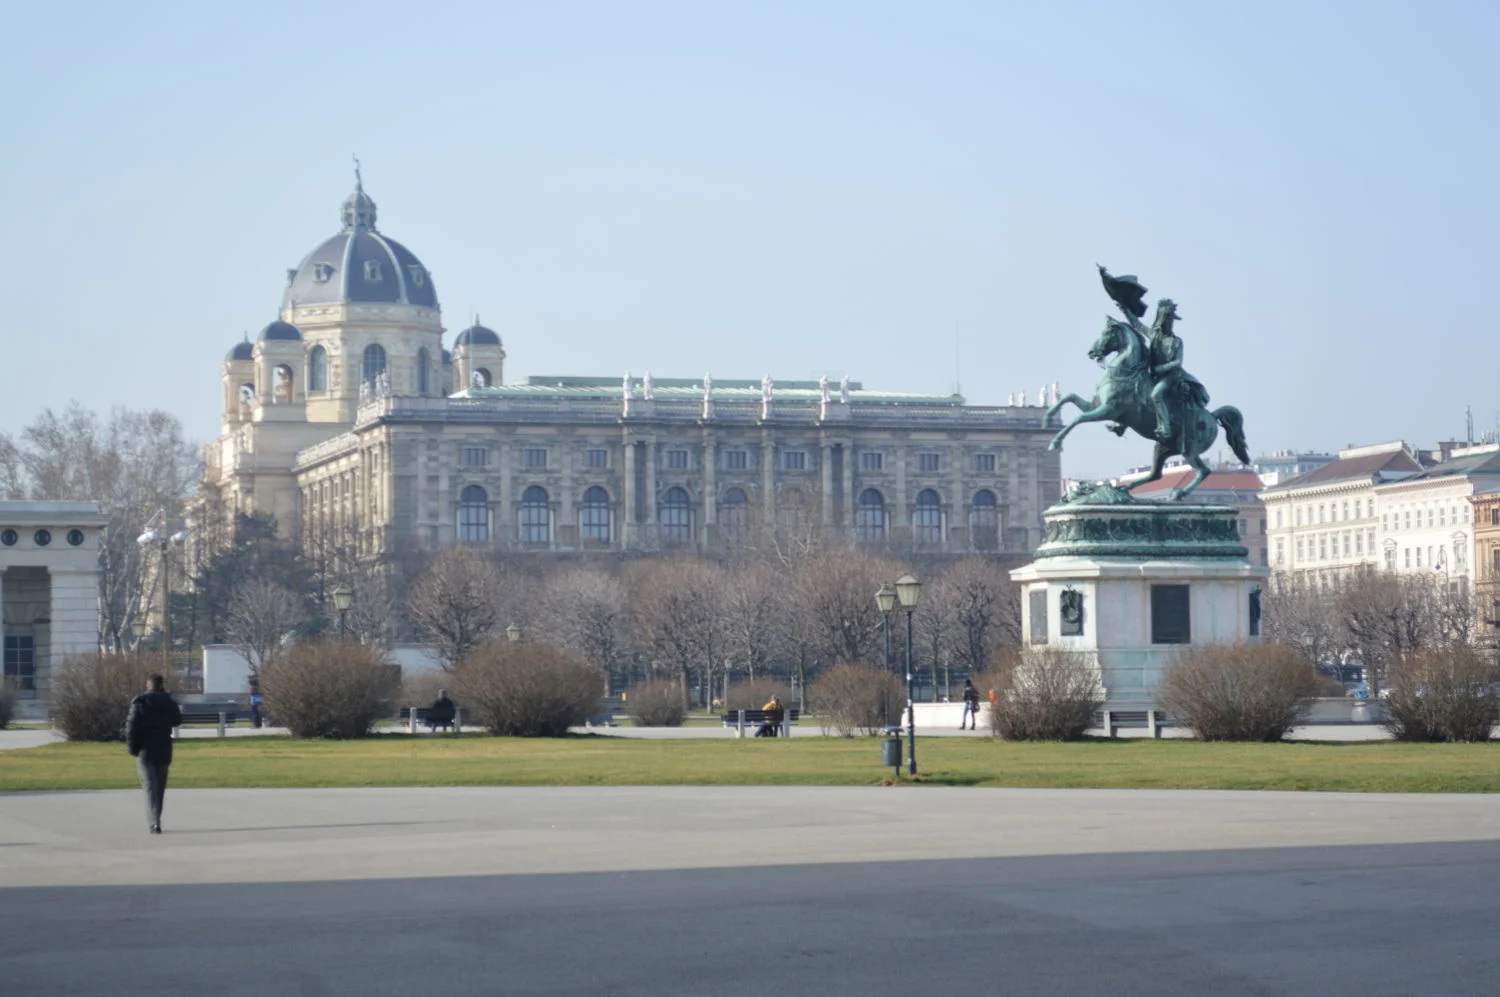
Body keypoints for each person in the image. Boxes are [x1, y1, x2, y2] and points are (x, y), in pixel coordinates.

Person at [125, 674, 183, 834]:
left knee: (149, 785)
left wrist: (132, 748)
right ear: (161, 685)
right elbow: (177, 720)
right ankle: (156, 818)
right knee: (159, 787)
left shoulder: (140, 703)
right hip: (164, 748)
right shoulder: (169, 702)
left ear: (147, 685)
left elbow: (131, 727)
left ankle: (154, 822)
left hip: (144, 749)